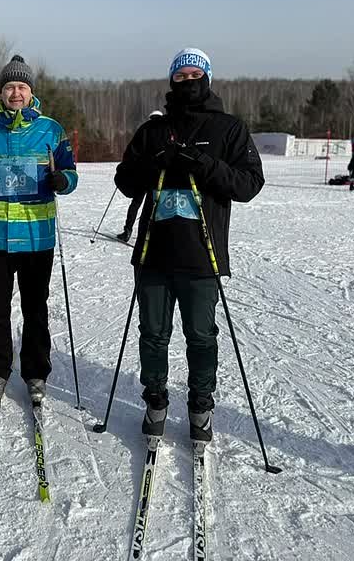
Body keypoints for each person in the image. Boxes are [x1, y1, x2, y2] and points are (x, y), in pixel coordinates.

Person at [114, 48, 264, 445]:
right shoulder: (154, 130)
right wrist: (155, 163)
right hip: (154, 253)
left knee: (201, 336)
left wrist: (202, 164)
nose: (188, 81)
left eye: (195, 74)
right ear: (171, 81)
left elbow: (249, 184)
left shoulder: (229, 128)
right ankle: (156, 400)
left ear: (208, 78)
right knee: (153, 334)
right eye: (180, 76)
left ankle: (201, 406)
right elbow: (125, 181)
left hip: (203, 254)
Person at [0, 54, 78, 406]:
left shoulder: (51, 130)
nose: (16, 93)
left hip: (36, 235)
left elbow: (71, 173)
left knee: (35, 307)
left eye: (22, 87)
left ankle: (36, 372)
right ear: (1, 92)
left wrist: (62, 179)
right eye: (10, 87)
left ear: (31, 92)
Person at [117, 111, 164, 242]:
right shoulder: (165, 130)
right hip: (157, 176)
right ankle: (152, 235)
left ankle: (127, 230)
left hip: (141, 175)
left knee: (136, 203)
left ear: (150, 117)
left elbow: (131, 150)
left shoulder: (144, 129)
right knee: (155, 206)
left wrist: (125, 167)